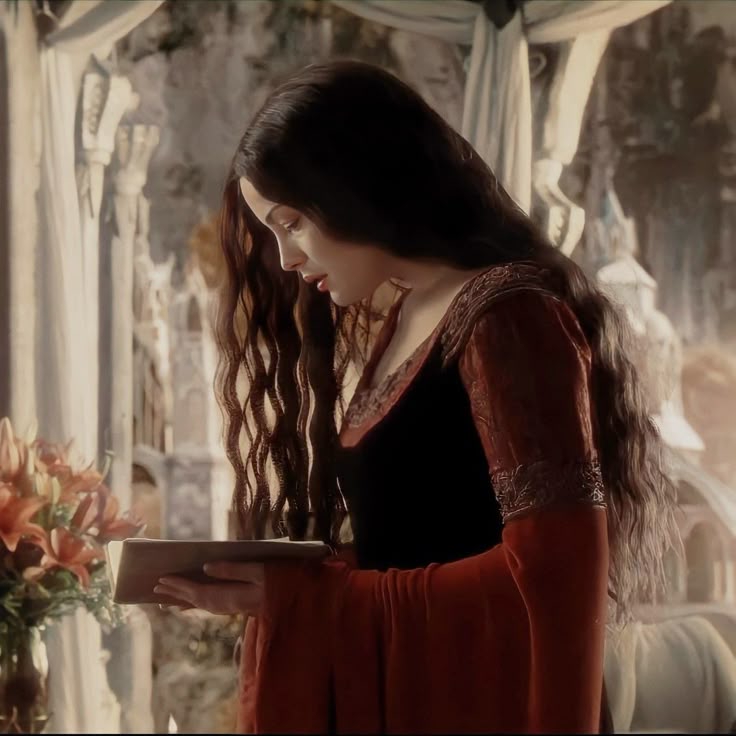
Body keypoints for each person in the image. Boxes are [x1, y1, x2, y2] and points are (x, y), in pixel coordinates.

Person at [153, 60, 680, 734]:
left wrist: (313, 599)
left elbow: (553, 578)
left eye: (292, 222)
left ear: (354, 186)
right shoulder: (407, 315)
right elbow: (422, 541)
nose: (285, 258)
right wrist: (276, 588)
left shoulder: (509, 318)